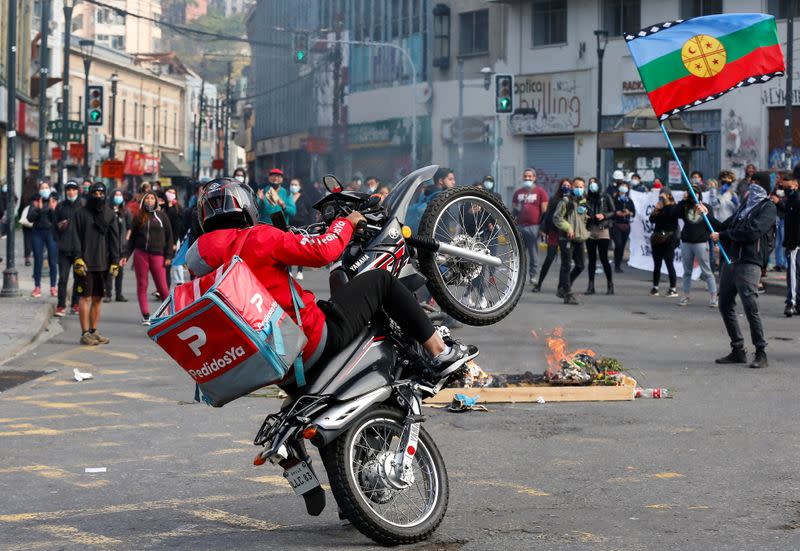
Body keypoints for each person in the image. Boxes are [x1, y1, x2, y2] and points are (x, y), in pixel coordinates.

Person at [186, 178, 477, 385]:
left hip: (272, 365)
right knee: (380, 281)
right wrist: (346, 223)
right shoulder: (258, 237)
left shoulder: (198, 262)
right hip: (311, 340)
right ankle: (441, 353)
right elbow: (323, 250)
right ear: (245, 205)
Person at [710, 173, 777, 369]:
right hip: (732, 261)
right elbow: (724, 226)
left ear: (764, 187)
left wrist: (723, 234)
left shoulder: (767, 207)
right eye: (750, 183)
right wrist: (705, 214)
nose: (752, 186)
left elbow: (753, 232)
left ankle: (761, 351)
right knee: (725, 305)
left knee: (750, 306)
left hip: (749, 261)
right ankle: (738, 349)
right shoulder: (744, 208)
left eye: (756, 184)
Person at [70, 182, 120, 345]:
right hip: (85, 263)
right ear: (90, 194)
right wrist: (77, 258)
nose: (98, 196)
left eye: (101, 193)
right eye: (95, 193)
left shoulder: (109, 214)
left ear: (105, 195)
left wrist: (115, 261)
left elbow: (114, 239)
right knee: (85, 298)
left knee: (98, 298)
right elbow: (75, 237)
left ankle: (94, 331)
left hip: (103, 264)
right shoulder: (80, 213)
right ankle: (85, 333)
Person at [128, 191, 173, 325]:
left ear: (156, 201)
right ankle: (146, 315)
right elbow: (132, 239)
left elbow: (169, 237)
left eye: (152, 198)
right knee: (142, 285)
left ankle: (170, 313)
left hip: (158, 255)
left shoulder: (162, 217)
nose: (149, 200)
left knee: (163, 287)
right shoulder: (138, 217)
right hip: (141, 254)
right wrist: (125, 255)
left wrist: (169, 255)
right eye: (147, 198)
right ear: (143, 201)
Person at [670, 185, 718, 307]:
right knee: (687, 271)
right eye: (690, 192)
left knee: (707, 271)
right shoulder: (685, 206)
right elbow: (673, 213)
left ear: (699, 194)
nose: (693, 195)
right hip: (686, 242)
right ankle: (686, 295)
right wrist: (683, 201)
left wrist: (716, 242)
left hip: (701, 242)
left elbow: (712, 224)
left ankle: (713, 297)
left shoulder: (706, 207)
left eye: (695, 193)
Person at [553, 177, 588, 305]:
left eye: (581, 187)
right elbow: (557, 218)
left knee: (580, 265)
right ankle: (568, 293)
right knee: (566, 265)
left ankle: (563, 287)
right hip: (566, 237)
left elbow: (582, 219)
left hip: (579, 237)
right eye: (577, 186)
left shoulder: (583, 201)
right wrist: (568, 228)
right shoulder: (566, 201)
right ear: (572, 187)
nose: (579, 189)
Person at [532, 178, 570, 293]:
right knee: (549, 258)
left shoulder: (572, 200)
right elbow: (547, 215)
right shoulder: (554, 199)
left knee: (565, 261)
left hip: (566, 233)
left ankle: (561, 287)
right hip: (554, 232)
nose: (566, 187)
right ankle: (539, 284)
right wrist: (544, 230)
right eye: (564, 185)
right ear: (560, 186)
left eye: (568, 186)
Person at [511, 168, 548, 287]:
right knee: (519, 253)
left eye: (530, 176)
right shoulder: (518, 193)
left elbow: (544, 212)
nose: (527, 178)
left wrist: (542, 228)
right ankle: (518, 277)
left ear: (534, 178)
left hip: (534, 227)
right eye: (525, 176)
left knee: (533, 253)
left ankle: (533, 276)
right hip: (520, 226)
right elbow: (513, 210)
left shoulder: (540, 192)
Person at [54, 181, 82, 316]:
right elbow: (54, 227)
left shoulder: (83, 207)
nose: (71, 192)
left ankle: (75, 304)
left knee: (78, 279)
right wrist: (58, 239)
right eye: (68, 190)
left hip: (78, 250)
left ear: (78, 191)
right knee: (63, 279)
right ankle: (60, 306)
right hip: (64, 250)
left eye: (73, 189)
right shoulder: (60, 207)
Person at [27, 182, 59, 298]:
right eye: (42, 188)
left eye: (46, 188)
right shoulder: (35, 201)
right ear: (39, 190)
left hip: (50, 233)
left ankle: (53, 287)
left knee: (52, 260)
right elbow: (29, 218)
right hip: (37, 233)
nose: (44, 190)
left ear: (50, 189)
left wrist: (52, 209)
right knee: (38, 260)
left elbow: (57, 219)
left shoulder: (54, 200)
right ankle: (37, 287)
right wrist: (38, 209)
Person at [585, 178, 615, 295]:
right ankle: (591, 286)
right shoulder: (587, 197)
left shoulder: (605, 196)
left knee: (604, 259)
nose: (592, 185)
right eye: (590, 183)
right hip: (590, 229)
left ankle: (610, 284)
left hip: (603, 229)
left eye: (594, 183)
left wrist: (603, 215)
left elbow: (613, 211)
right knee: (591, 259)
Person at [648, 187, 680, 297]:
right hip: (657, 238)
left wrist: (666, 205)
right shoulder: (659, 207)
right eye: (660, 196)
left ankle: (673, 288)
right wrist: (656, 210)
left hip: (669, 239)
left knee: (669, 263)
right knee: (657, 264)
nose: (661, 198)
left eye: (663, 196)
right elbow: (652, 220)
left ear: (669, 195)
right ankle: (655, 287)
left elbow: (671, 217)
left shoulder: (673, 207)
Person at [288, 178, 318, 281]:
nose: (293, 186)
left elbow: (311, 212)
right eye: (292, 184)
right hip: (290, 225)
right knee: (289, 249)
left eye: (295, 184)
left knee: (300, 249)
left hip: (302, 225)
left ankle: (300, 271)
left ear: (300, 186)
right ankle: (289, 271)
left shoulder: (305, 197)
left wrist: (311, 226)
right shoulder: (288, 197)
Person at [105, 189, 131, 303]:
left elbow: (130, 228)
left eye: (120, 195)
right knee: (109, 271)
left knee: (119, 271)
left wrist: (126, 240)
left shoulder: (125, 212)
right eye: (116, 195)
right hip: (108, 246)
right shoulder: (107, 211)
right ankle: (108, 294)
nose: (118, 197)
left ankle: (119, 294)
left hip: (121, 246)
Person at [611, 180, 636, 273]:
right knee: (618, 244)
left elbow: (633, 212)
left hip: (626, 225)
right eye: (622, 186)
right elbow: (611, 211)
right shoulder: (614, 199)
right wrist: (616, 213)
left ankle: (618, 265)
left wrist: (629, 212)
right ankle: (616, 262)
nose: (624, 188)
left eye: (626, 187)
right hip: (616, 224)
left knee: (622, 246)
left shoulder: (629, 200)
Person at [162, 187, 184, 288]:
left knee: (175, 262)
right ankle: (164, 286)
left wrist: (174, 242)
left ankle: (179, 282)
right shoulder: (164, 207)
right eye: (169, 192)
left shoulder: (176, 209)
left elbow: (177, 227)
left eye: (172, 192)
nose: (170, 194)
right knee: (165, 264)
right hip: (163, 239)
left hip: (173, 239)